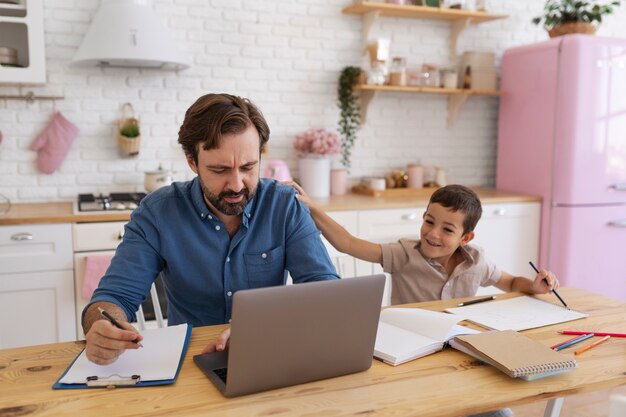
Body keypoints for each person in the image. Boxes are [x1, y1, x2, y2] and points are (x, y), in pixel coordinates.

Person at [82, 93, 339, 365]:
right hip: (187, 363)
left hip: (268, 354)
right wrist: (103, 327)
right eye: (220, 170)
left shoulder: (284, 205)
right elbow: (112, 298)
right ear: (192, 161)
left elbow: (324, 291)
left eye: (249, 167)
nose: (237, 185)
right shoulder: (157, 213)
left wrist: (261, 329)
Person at [287, 182, 558, 417]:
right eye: (429, 221)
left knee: (499, 411)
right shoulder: (406, 254)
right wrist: (312, 208)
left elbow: (510, 282)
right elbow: (348, 243)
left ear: (466, 238)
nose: (432, 234)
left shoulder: (477, 262)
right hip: (408, 361)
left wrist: (534, 286)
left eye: (447, 229)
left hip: (459, 361)